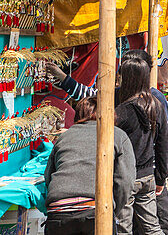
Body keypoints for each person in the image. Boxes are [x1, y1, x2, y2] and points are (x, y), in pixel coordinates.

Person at [44, 97, 136, 235]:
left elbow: (48, 176)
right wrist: (112, 209)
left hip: (58, 212)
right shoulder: (117, 135)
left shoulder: (64, 136)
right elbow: (125, 181)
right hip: (96, 209)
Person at [115, 55, 168, 235]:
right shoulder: (155, 104)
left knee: (124, 226)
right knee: (152, 226)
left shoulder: (122, 110)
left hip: (127, 176)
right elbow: (163, 145)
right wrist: (161, 177)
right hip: (148, 175)